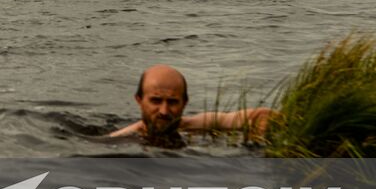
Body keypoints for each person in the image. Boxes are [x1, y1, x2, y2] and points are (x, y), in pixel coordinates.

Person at [108, 64, 278, 146]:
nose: (164, 111)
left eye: (173, 102)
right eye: (156, 101)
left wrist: (260, 133)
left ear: (185, 103)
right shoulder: (124, 138)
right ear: (139, 100)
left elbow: (257, 115)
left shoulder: (194, 125)